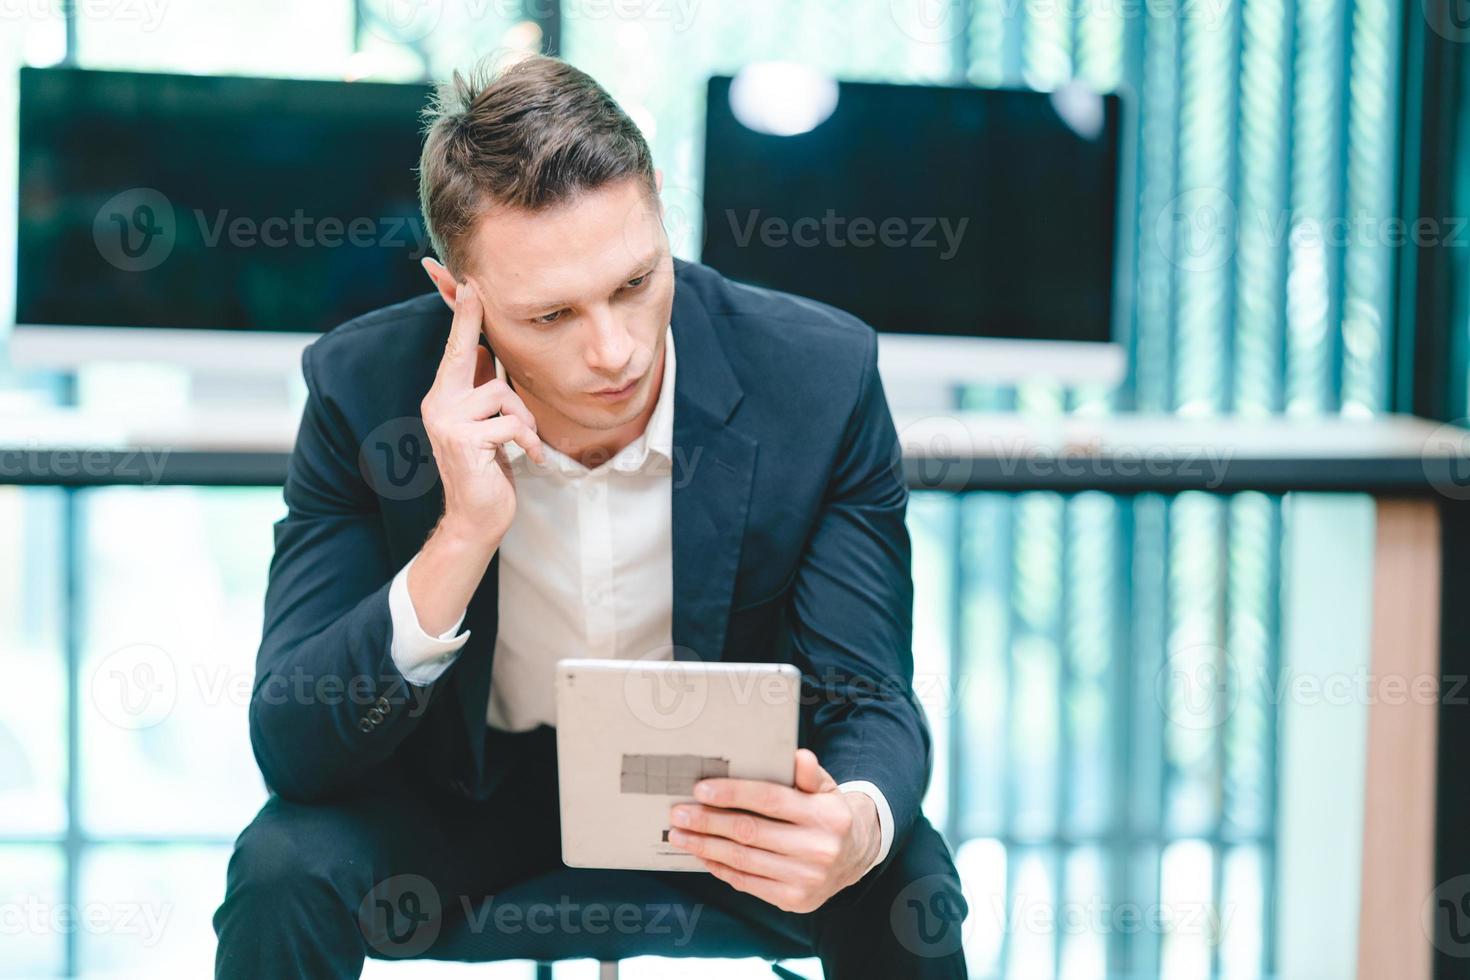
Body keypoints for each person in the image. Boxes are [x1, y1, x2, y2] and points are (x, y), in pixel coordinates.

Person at [213, 53, 968, 978]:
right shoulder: (363, 390)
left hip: (721, 809)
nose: (613, 351)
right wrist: (462, 535)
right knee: (282, 868)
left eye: (634, 284)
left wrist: (854, 821)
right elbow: (294, 749)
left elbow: (871, 695)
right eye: (551, 316)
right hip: (466, 803)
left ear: (660, 216)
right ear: (461, 297)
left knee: (900, 871)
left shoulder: (816, 378)